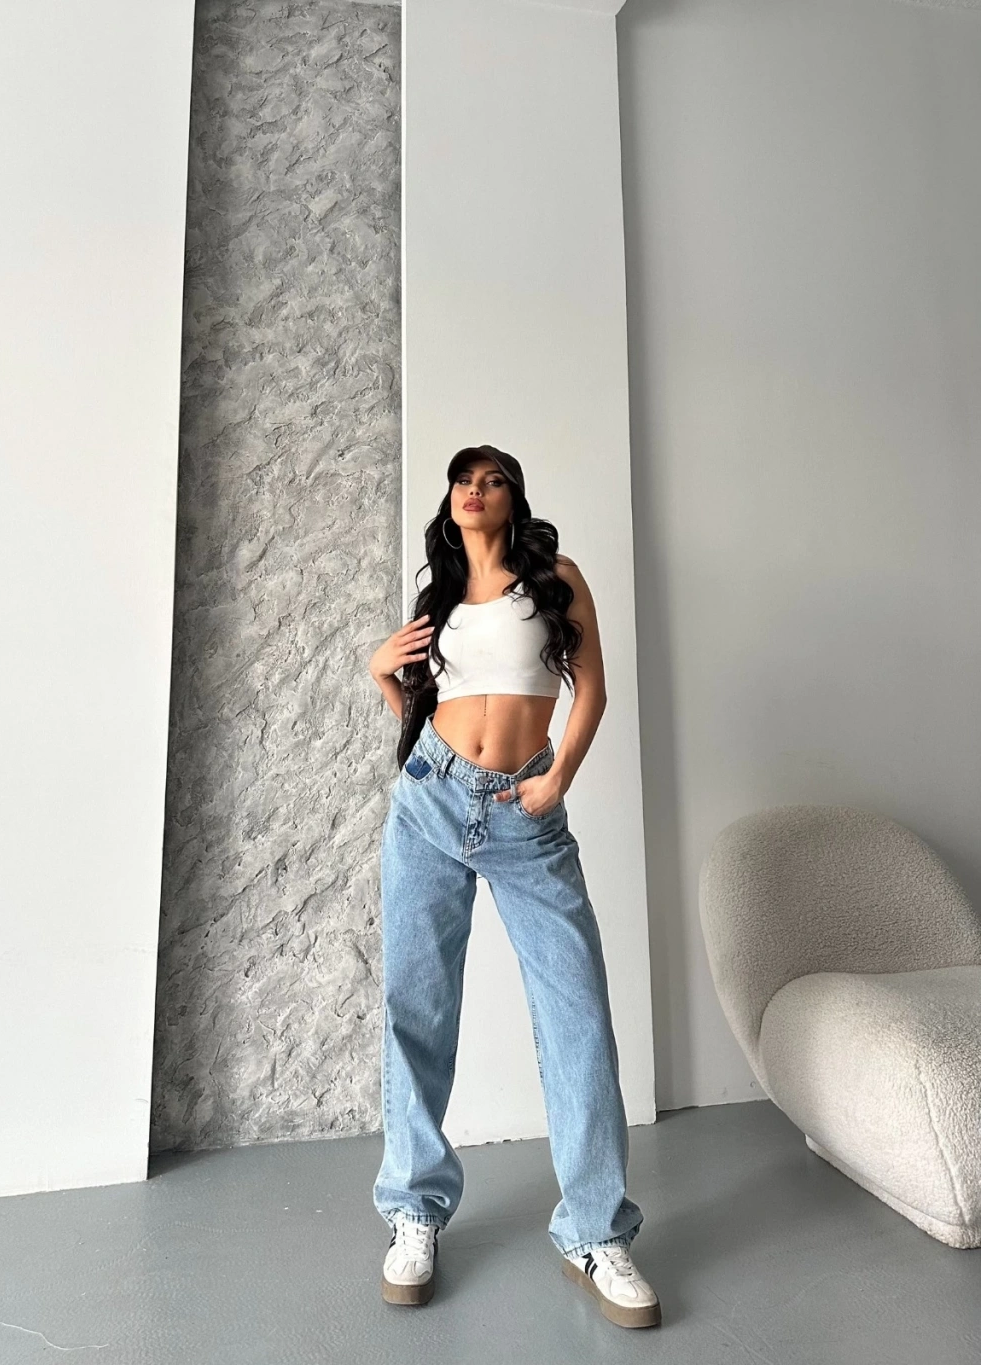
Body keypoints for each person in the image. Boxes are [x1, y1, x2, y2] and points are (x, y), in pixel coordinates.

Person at [367, 445, 660, 1330]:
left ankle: (595, 1231)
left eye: (492, 478)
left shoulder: (555, 579)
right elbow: (422, 712)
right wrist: (381, 673)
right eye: (464, 478)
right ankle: (414, 1210)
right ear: (450, 500)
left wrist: (558, 775)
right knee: (417, 1007)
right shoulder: (440, 602)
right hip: (430, 800)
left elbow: (592, 688)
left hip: (526, 813)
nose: (474, 489)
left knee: (578, 1015)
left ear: (513, 496)